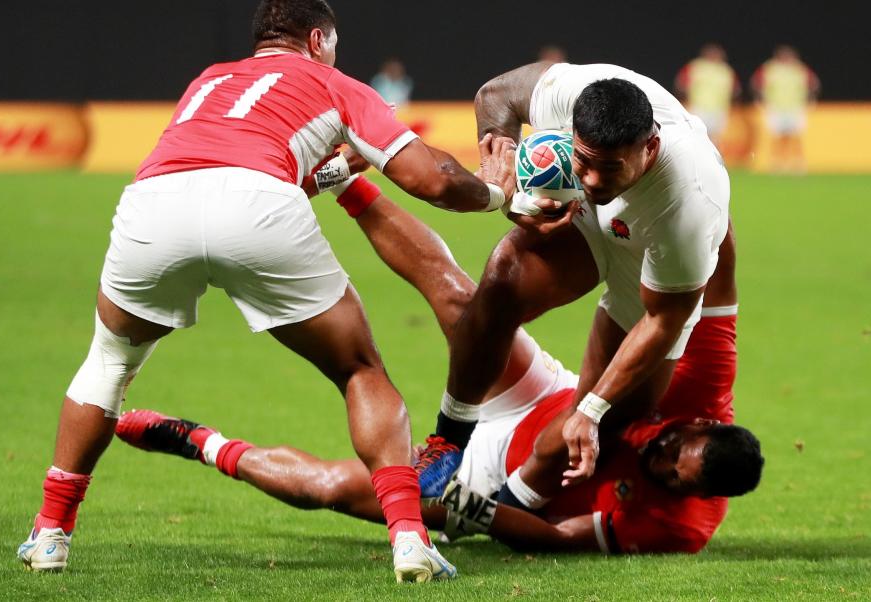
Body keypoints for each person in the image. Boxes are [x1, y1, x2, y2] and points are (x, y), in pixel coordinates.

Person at [15, 0, 517, 581]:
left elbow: (228, 159)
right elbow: (431, 179)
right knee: (359, 369)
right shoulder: (331, 80)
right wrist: (494, 193)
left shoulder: (209, 80)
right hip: (255, 205)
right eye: (334, 44)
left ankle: (51, 534)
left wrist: (329, 172)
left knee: (108, 362)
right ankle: (409, 540)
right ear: (317, 39)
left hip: (154, 203)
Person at [115, 182, 762, 554]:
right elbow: (720, 281)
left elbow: (552, 540)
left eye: (666, 472)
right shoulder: (705, 388)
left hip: (504, 490)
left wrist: (459, 505)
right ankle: (347, 179)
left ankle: (199, 442)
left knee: (331, 489)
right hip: (549, 400)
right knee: (465, 302)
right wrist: (695, 197)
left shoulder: (676, 527)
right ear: (701, 422)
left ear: (691, 494)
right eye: (674, 443)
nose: (659, 453)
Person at [419, 62, 732, 518]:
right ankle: (449, 440)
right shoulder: (574, 92)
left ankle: (507, 514)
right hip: (587, 222)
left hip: (648, 257)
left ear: (651, 147)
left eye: (608, 168)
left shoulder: (689, 201)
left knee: (603, 418)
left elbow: (664, 320)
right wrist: (502, 172)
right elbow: (495, 96)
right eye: (581, 161)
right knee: (503, 278)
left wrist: (592, 406)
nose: (590, 179)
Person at [751, 45, 820, 173]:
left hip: (795, 107)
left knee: (796, 137)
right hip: (776, 108)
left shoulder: (799, 68)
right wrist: (759, 99)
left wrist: (811, 99)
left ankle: (798, 163)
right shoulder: (770, 68)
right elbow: (756, 83)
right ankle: (776, 163)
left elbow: (814, 84)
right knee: (777, 137)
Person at [674, 44, 740, 148]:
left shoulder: (725, 70)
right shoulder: (696, 66)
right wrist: (684, 101)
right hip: (698, 107)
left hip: (719, 109)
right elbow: (680, 84)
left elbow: (735, 90)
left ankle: (713, 161)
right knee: (696, 134)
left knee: (715, 138)